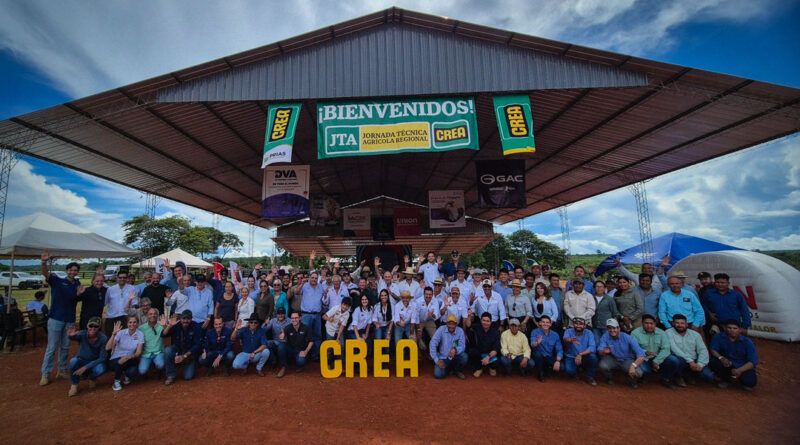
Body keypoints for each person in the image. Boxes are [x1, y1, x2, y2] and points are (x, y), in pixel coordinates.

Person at [40, 251, 81, 386]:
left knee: (65, 346)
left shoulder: (77, 284)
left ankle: (62, 369)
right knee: (52, 347)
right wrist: (44, 262)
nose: (73, 272)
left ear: (77, 272)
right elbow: (45, 274)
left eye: (75, 270)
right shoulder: (57, 280)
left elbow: (76, 298)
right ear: (67, 270)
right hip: (56, 318)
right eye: (71, 270)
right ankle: (45, 373)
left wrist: (79, 293)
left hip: (69, 319)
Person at [662, 314, 713, 387]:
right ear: (673, 324)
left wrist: (700, 364)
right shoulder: (668, 332)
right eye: (677, 323)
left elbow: (702, 350)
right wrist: (690, 361)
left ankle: (689, 375)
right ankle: (678, 376)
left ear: (687, 324)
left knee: (708, 376)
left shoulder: (695, 334)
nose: (680, 325)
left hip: (694, 361)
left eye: (682, 323)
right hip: (680, 359)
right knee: (673, 360)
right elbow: (674, 349)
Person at [709, 320, 758, 390]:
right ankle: (726, 380)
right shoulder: (719, 337)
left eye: (735, 328)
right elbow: (713, 349)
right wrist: (721, 358)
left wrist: (739, 370)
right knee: (713, 362)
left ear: (740, 330)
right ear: (725, 328)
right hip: (727, 364)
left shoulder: (747, 342)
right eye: (729, 328)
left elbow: (753, 361)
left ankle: (738, 378)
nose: (732, 330)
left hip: (742, 366)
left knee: (750, 382)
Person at [597, 318, 646, 388]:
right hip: (613, 358)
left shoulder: (628, 338)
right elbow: (600, 351)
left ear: (619, 328)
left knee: (638, 373)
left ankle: (630, 379)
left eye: (614, 328)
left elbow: (641, 355)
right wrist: (603, 352)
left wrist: (633, 366)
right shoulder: (605, 336)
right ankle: (610, 378)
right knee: (603, 365)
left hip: (627, 360)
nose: (612, 330)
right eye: (609, 328)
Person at [66, 317, 107, 397]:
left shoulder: (103, 338)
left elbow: (102, 357)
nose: (93, 328)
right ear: (87, 326)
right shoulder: (82, 334)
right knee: (73, 361)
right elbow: (74, 337)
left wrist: (85, 367)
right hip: (81, 360)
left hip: (93, 362)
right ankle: (74, 384)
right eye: (91, 326)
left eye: (96, 326)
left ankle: (92, 377)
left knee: (101, 368)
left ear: (99, 327)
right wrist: (70, 335)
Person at [631, 314, 672, 387]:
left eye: (651, 323)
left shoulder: (662, 333)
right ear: (642, 323)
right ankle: (644, 377)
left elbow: (666, 348)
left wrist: (657, 361)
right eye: (646, 323)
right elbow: (633, 348)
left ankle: (665, 378)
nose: (649, 326)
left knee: (673, 361)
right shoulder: (635, 333)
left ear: (655, 324)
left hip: (658, 357)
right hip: (643, 358)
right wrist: (644, 351)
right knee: (646, 370)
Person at [162, 310, 203, 385]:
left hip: (189, 354)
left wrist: (184, 356)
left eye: (188, 319)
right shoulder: (176, 325)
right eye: (183, 318)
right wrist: (169, 326)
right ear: (180, 319)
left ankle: (191, 365)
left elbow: (197, 345)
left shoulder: (196, 326)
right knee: (167, 350)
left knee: (188, 376)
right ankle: (170, 375)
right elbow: (163, 335)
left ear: (191, 319)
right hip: (178, 350)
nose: (185, 321)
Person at [106, 316, 144, 391]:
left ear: (137, 324)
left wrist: (128, 357)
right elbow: (108, 348)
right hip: (116, 358)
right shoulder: (121, 333)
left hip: (130, 358)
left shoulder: (140, 334)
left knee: (133, 370)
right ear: (127, 323)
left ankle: (125, 374)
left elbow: (138, 352)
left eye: (134, 322)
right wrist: (113, 334)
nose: (132, 324)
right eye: (130, 322)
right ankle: (116, 381)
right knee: (120, 362)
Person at [294, 271, 324, 359]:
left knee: (317, 336)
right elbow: (296, 292)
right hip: (306, 315)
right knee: (303, 335)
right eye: (312, 277)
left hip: (317, 315)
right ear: (309, 278)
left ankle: (315, 355)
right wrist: (301, 284)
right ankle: (303, 356)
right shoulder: (305, 285)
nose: (314, 279)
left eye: (316, 278)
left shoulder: (321, 286)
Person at [429, 314, 468, 379]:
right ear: (446, 323)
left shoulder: (460, 331)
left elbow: (462, 346)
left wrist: (455, 350)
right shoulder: (441, 329)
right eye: (449, 323)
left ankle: (457, 370)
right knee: (438, 374)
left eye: (453, 324)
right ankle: (449, 369)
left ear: (456, 324)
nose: (451, 326)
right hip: (443, 357)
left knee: (464, 357)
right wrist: (437, 360)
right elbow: (433, 343)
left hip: (455, 356)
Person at [562, 317, 598, 386]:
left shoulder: (589, 333)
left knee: (593, 357)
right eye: (576, 323)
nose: (578, 326)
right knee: (569, 371)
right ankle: (577, 372)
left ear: (584, 325)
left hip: (584, 356)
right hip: (571, 356)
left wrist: (580, 354)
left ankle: (590, 377)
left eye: (581, 324)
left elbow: (592, 347)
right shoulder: (568, 331)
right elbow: (565, 338)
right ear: (573, 324)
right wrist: (570, 340)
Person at [529, 315, 563, 382]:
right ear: (540, 323)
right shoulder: (535, 332)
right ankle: (540, 373)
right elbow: (532, 345)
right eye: (543, 322)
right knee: (538, 354)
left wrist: (558, 361)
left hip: (549, 356)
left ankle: (547, 369)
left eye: (547, 322)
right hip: (539, 356)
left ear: (550, 324)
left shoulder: (555, 335)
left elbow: (559, 349)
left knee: (562, 367)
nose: (545, 324)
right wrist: (537, 343)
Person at [104, 270, 137, 337]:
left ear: (127, 278)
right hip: (112, 316)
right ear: (117, 278)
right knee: (110, 337)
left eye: (124, 277)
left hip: (125, 317)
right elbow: (105, 302)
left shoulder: (132, 288)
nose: (122, 279)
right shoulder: (110, 289)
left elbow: (134, 303)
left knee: (125, 337)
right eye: (120, 277)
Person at [468, 312, 501, 377]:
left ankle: (492, 368)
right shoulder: (476, 327)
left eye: (488, 321)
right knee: (472, 352)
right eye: (484, 320)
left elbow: (496, 349)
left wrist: (488, 357)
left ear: (491, 322)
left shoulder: (495, 332)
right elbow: (468, 325)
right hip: (480, 353)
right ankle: (479, 368)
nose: (485, 323)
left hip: (490, 354)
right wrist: (469, 316)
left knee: (498, 358)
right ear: (480, 321)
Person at [137, 307, 165, 377]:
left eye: (155, 314)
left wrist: (165, 326)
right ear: (147, 316)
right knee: (142, 371)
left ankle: (159, 370)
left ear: (157, 315)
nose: (153, 315)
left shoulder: (161, 325)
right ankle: (150, 368)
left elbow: (166, 333)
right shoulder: (141, 328)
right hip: (146, 354)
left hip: (158, 352)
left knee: (161, 365)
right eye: (150, 314)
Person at [264, 308, 291, 377]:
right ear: (277, 314)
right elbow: (264, 330)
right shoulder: (273, 320)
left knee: (281, 347)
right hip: (275, 341)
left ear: (285, 314)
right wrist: (265, 324)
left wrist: (285, 333)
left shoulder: (289, 321)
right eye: (279, 314)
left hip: (286, 342)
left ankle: (283, 367)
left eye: (282, 314)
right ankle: (273, 360)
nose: (280, 315)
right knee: (266, 343)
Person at [416, 287, 441, 351]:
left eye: (430, 294)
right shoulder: (418, 301)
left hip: (429, 320)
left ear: (432, 295)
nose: (428, 296)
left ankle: (432, 352)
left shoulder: (435, 301)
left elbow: (436, 315)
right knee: (418, 335)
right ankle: (420, 351)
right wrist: (418, 328)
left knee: (435, 337)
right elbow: (415, 316)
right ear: (424, 294)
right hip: (419, 321)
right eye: (426, 294)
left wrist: (432, 315)